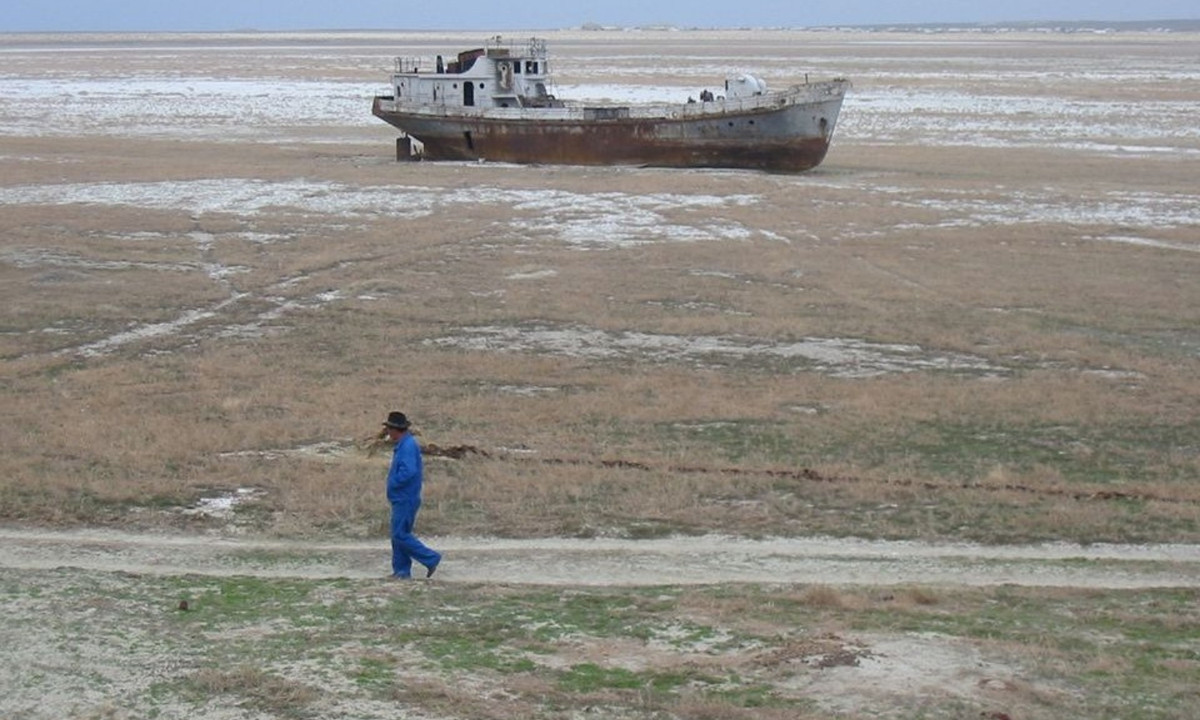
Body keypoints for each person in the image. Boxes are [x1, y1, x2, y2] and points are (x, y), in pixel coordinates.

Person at [381, 411, 441, 579]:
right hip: (403, 497)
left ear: (395, 429)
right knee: (398, 534)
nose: (387, 432)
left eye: (389, 429)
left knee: (400, 535)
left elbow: (409, 471)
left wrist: (393, 483)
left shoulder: (407, 446)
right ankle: (401, 571)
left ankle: (431, 558)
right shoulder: (405, 444)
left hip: (405, 497)